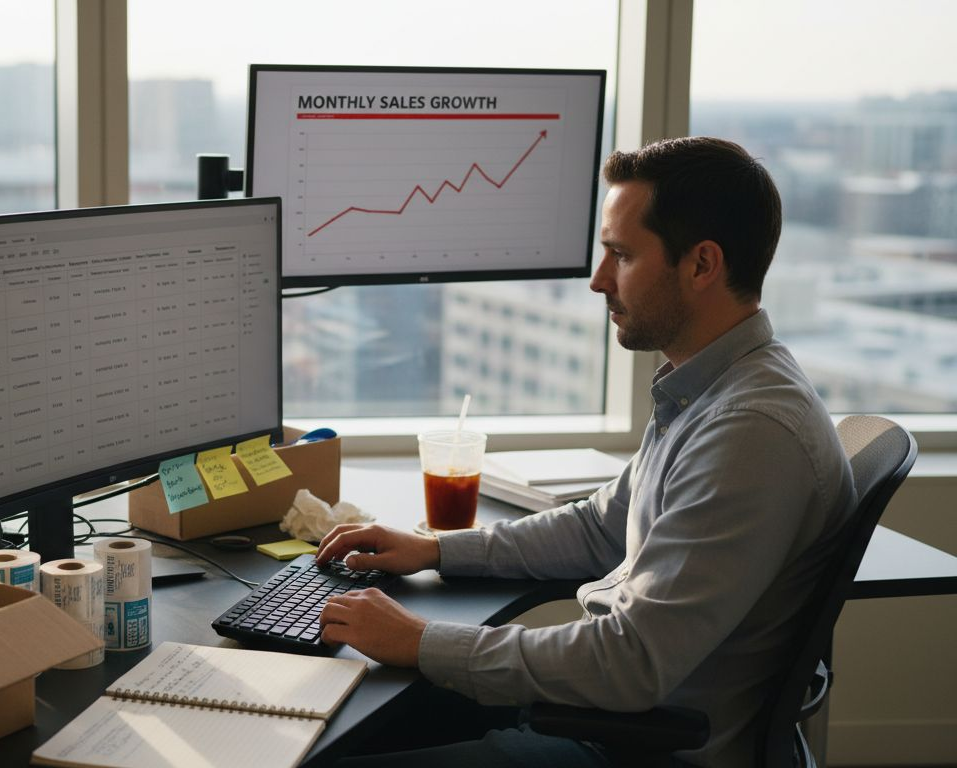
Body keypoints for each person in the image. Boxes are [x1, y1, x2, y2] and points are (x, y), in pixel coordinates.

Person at [316, 136, 856, 768]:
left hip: (639, 747)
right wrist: (436, 549)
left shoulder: (749, 432)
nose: (599, 281)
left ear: (702, 264)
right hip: (611, 718)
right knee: (345, 717)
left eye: (621, 255)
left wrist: (420, 640)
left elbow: (630, 664)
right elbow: (602, 526)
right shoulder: (711, 389)